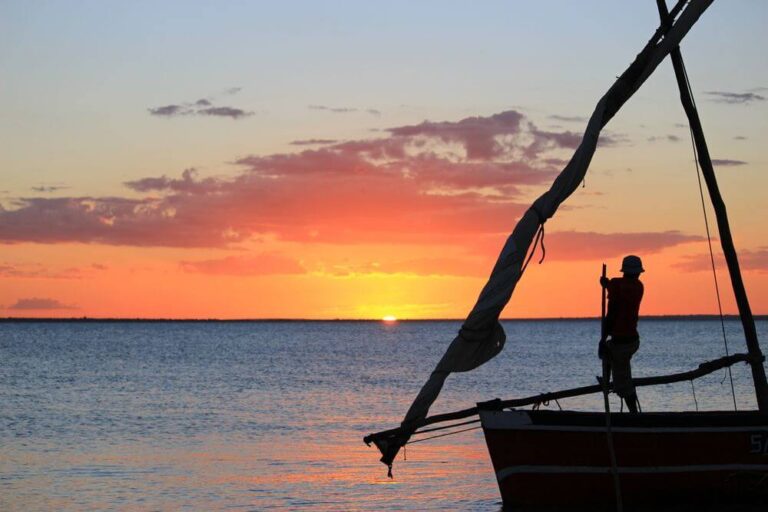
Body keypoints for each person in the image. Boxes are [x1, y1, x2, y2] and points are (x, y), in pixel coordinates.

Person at [600, 255, 644, 413]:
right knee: (607, 353)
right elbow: (618, 287)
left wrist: (602, 338)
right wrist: (608, 285)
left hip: (622, 343)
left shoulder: (617, 285)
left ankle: (634, 415)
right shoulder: (639, 286)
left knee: (623, 385)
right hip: (632, 340)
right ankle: (606, 381)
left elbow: (611, 314)